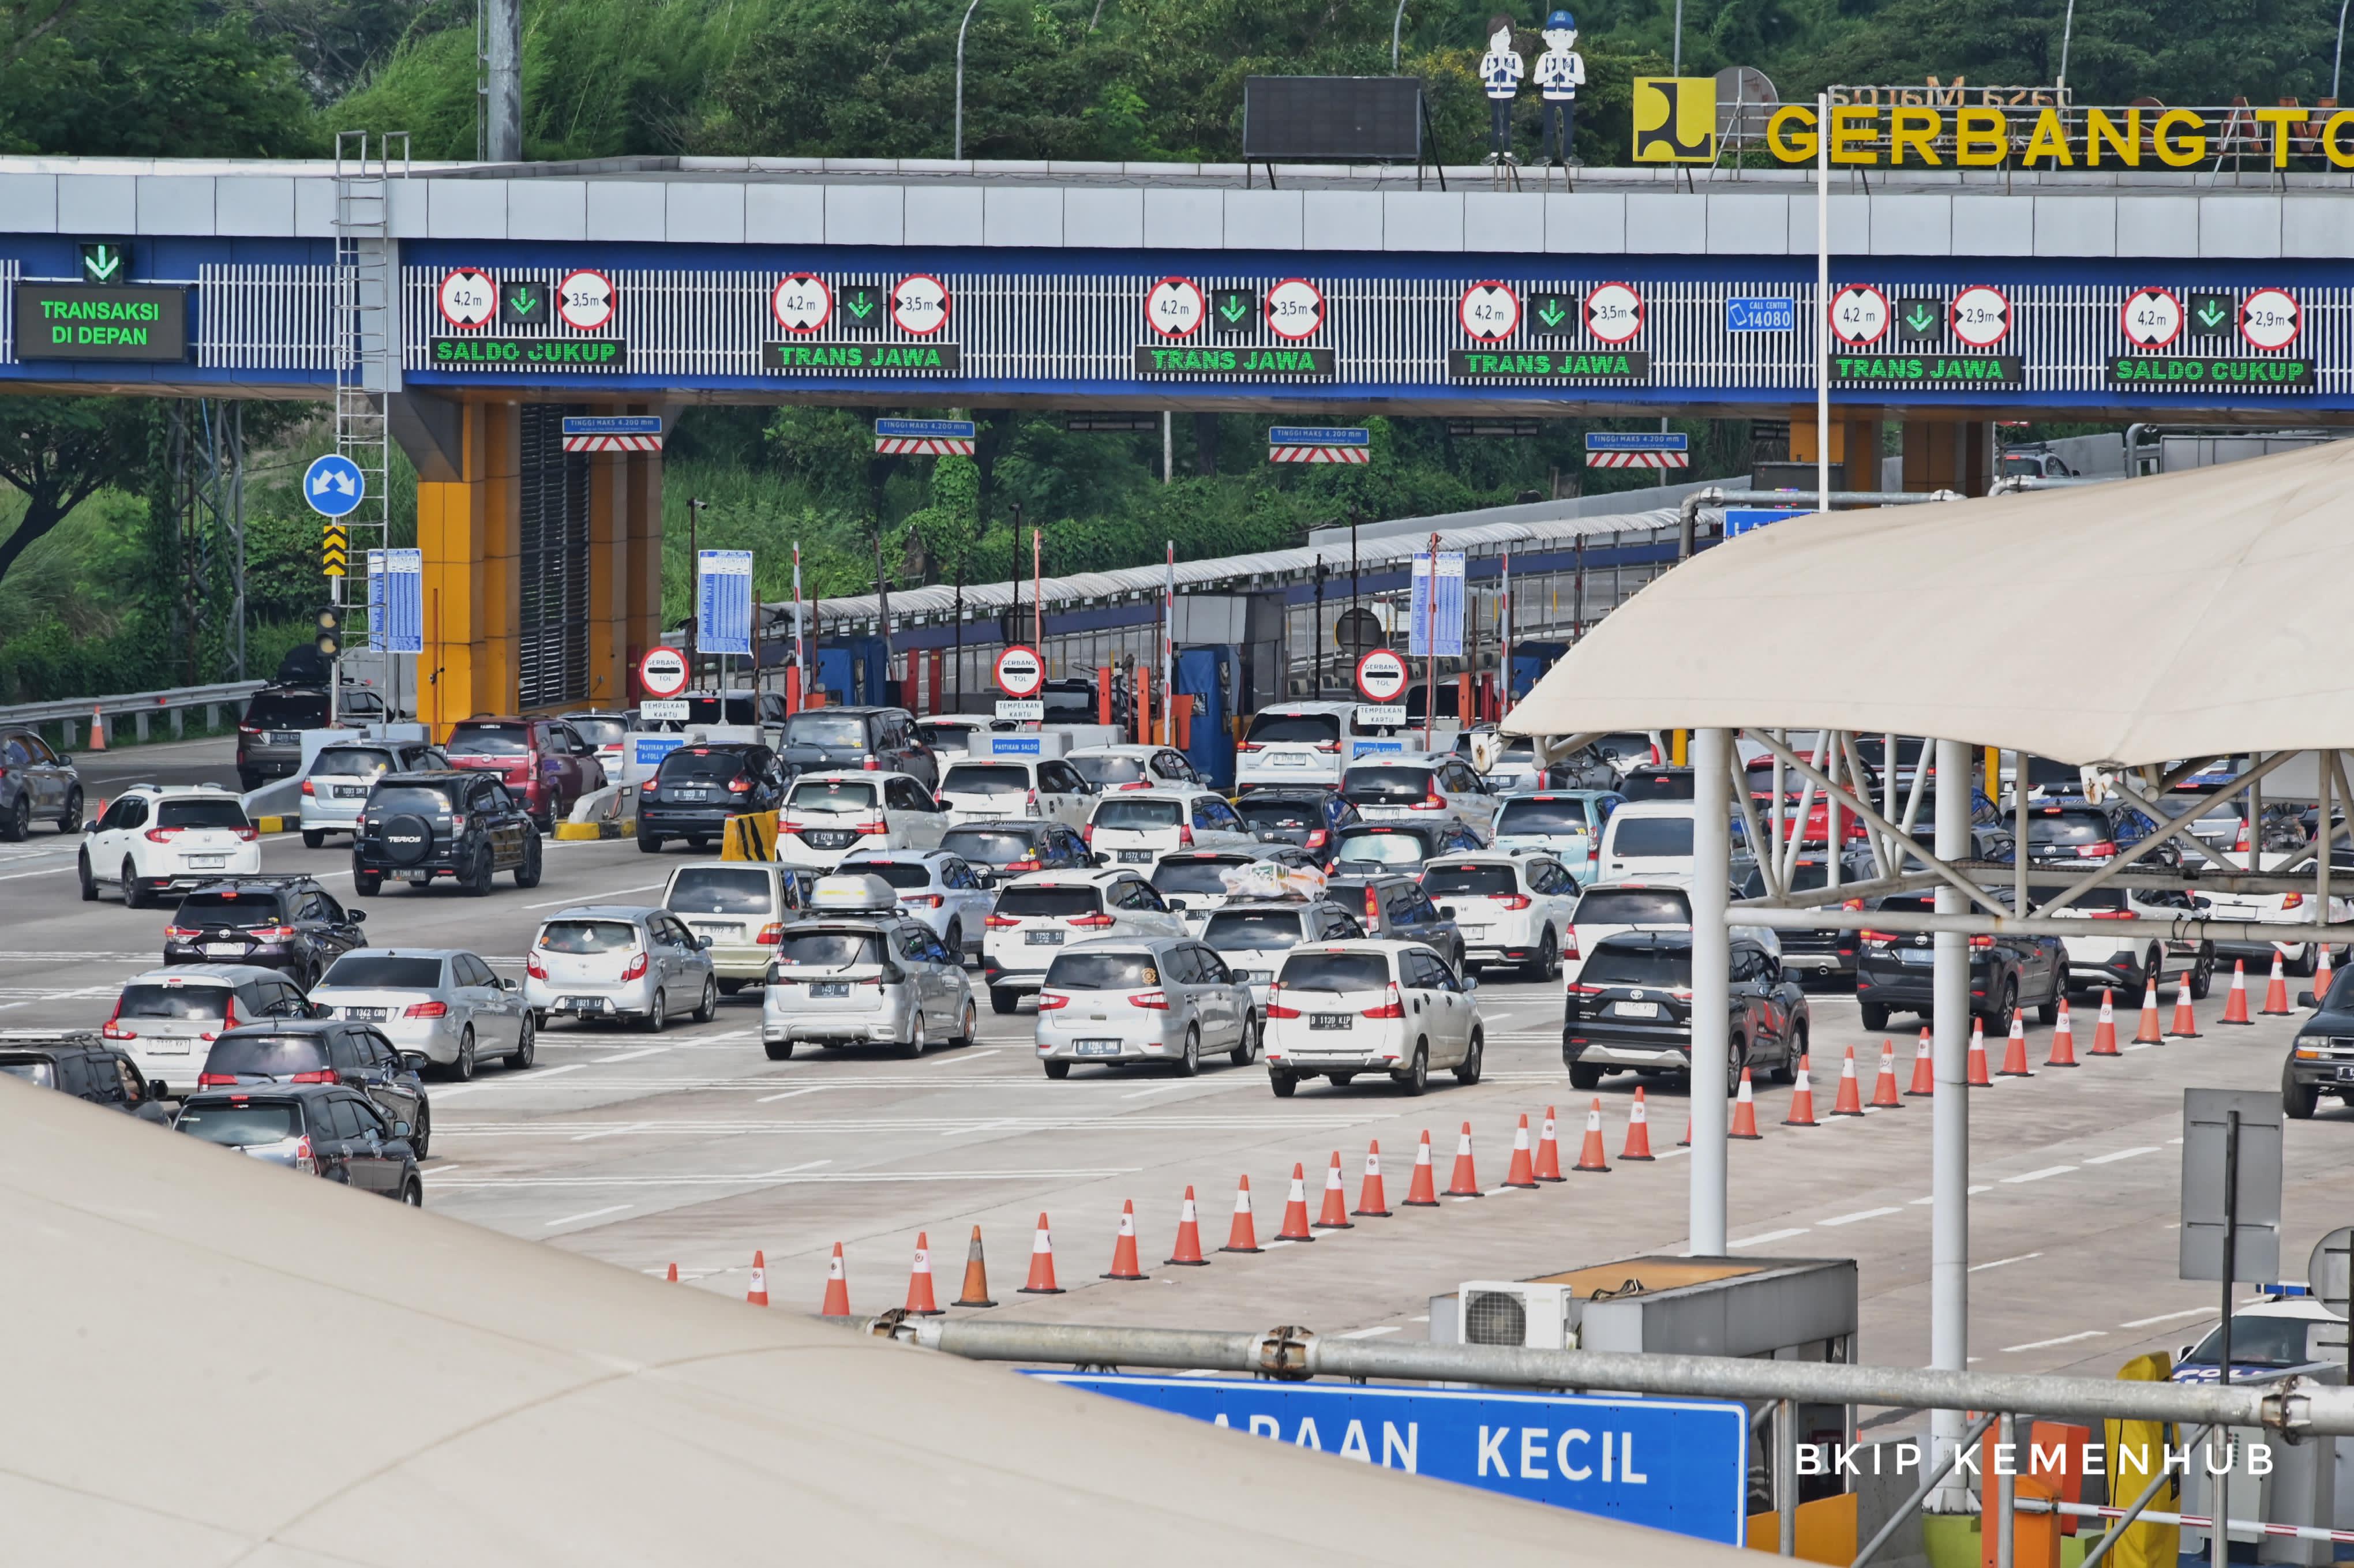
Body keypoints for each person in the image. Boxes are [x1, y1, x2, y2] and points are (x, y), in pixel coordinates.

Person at [1535, 10, 1585, 166]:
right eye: (1555, 34)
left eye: (1565, 34)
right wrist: (1552, 72)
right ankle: (1547, 156)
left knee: (1568, 127)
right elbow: (1537, 79)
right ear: (1546, 35)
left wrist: (1564, 72)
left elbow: (1581, 79)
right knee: (1548, 127)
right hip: (1549, 95)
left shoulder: (1574, 58)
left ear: (1573, 35)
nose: (1560, 39)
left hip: (1568, 95)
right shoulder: (1545, 58)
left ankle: (1568, 156)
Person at [1479, 14, 1524, 164]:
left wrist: (1506, 67)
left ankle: (1508, 152)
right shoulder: (1489, 56)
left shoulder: (1514, 56)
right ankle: (1493, 152)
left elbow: (1520, 73)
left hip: (1508, 91)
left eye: (1505, 35)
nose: (1501, 40)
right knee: (1495, 122)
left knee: (1506, 123)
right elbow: (1482, 74)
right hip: (1493, 92)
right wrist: (1496, 67)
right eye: (1497, 35)